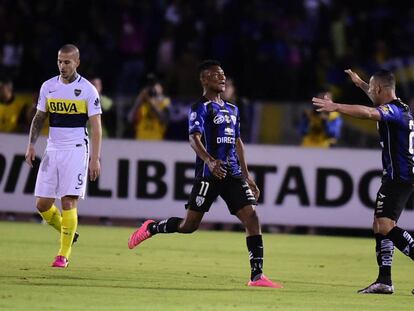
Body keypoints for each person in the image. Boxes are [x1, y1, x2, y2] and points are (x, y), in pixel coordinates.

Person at [128, 60, 282, 288]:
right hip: (209, 175)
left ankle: (257, 276)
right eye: (217, 75)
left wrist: (247, 176)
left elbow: (238, 142)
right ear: (204, 79)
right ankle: (151, 227)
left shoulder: (232, 109)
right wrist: (209, 161)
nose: (222, 78)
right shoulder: (200, 107)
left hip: (232, 173)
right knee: (189, 226)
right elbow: (193, 138)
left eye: (223, 74)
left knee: (252, 218)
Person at [312, 69, 414, 294]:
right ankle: (384, 280)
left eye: (371, 87)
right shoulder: (400, 108)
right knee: (380, 224)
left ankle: (385, 280)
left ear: (379, 89)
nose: (369, 90)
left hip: (400, 177)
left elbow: (369, 113)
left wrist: (336, 106)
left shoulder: (393, 111)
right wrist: (360, 84)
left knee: (386, 225)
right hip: (399, 176)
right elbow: (376, 103)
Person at [25, 44, 102, 268]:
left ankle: (63, 254)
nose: (62, 66)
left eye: (67, 62)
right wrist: (31, 145)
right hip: (52, 149)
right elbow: (39, 118)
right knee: (42, 204)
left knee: (68, 201)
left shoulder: (88, 90)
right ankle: (69, 231)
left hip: (77, 149)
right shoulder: (48, 86)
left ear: (77, 62)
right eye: (59, 61)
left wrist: (94, 158)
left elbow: (96, 127)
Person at [128, 74, 171, 140]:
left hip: (156, 141)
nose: (151, 88)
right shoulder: (141, 103)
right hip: (140, 141)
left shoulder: (165, 102)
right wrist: (139, 100)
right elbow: (130, 119)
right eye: (149, 85)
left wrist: (152, 103)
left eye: (154, 85)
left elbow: (164, 119)